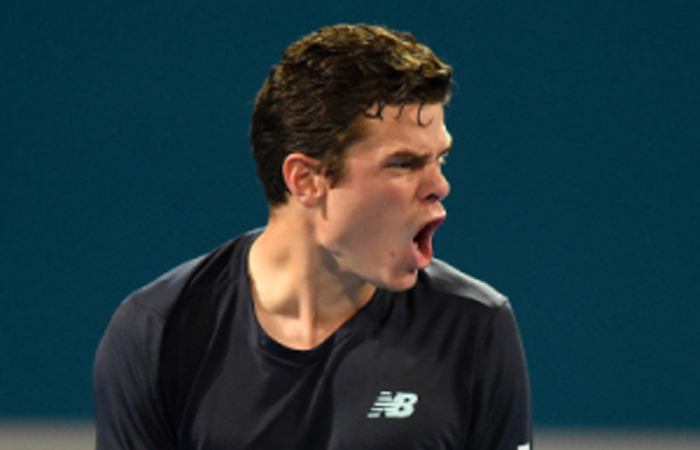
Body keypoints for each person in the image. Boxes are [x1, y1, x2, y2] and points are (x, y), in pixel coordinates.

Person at [93, 24, 532, 449]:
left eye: (441, 159)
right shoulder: (157, 331)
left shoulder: (475, 328)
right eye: (403, 164)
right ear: (305, 181)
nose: (439, 185)